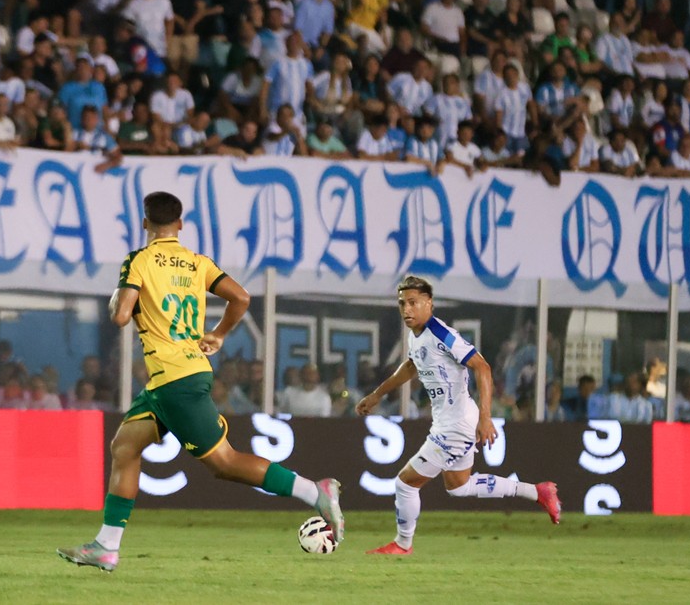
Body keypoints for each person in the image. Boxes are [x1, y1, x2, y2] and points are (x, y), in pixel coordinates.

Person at [57, 192, 344, 572]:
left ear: (145, 224)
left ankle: (314, 491)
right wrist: (220, 333)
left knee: (224, 463)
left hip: (175, 379)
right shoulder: (197, 263)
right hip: (170, 379)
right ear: (180, 224)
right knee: (124, 447)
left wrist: (119, 295)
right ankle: (106, 547)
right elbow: (240, 297)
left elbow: (121, 316)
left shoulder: (138, 261)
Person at [356, 275, 560, 556]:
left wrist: (485, 418)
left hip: (456, 425)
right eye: (402, 303)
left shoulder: (442, 334)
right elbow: (411, 366)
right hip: (450, 421)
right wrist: (378, 394)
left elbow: (483, 367)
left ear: (429, 303)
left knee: (405, 483)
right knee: (459, 486)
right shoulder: (416, 336)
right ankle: (538, 492)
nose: (406, 309)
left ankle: (402, 544)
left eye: (413, 303)